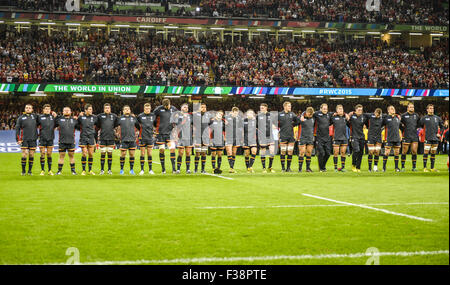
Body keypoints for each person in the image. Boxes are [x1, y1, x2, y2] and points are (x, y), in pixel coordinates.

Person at [153, 99, 178, 174]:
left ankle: (174, 169)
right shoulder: (158, 109)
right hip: (160, 134)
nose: (167, 107)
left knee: (172, 149)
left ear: (170, 104)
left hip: (170, 134)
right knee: (162, 150)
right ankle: (163, 169)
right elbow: (153, 120)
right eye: (166, 106)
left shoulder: (173, 109)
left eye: (168, 105)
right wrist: (157, 127)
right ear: (163, 105)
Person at [419, 104, 444, 172]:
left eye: (432, 108)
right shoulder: (424, 118)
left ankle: (432, 168)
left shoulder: (437, 118)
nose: (431, 109)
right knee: (426, 152)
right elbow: (420, 125)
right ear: (427, 110)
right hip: (427, 138)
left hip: (435, 138)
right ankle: (424, 168)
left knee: (433, 153)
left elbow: (442, 127)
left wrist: (440, 133)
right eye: (430, 108)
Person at [15, 104, 38, 175]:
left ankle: (30, 171)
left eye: (29, 108)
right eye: (26, 108)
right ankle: (23, 171)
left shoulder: (35, 117)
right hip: (24, 139)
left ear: (32, 109)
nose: (28, 109)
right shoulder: (21, 118)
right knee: (24, 154)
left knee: (31, 155)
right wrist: (18, 139)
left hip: (33, 139)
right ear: (25, 109)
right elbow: (17, 129)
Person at [96, 103, 118, 175]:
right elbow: (97, 125)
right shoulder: (100, 116)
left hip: (111, 137)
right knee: (102, 154)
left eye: (108, 108)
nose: (107, 109)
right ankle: (102, 170)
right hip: (102, 137)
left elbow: (115, 125)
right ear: (104, 109)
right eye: (106, 108)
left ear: (110, 109)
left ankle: (109, 170)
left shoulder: (114, 116)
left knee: (109, 154)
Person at [117, 105, 140, 175]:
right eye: (125, 109)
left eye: (128, 109)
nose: (127, 110)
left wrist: (137, 134)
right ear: (123, 111)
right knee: (123, 154)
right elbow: (114, 125)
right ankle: (121, 169)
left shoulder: (133, 118)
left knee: (132, 155)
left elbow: (138, 127)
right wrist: (117, 134)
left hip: (132, 139)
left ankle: (131, 170)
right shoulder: (120, 119)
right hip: (124, 139)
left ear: (130, 110)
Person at [55, 107, 78, 175]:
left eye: (68, 110)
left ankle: (73, 171)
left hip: (71, 141)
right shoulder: (59, 119)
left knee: (71, 156)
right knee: (61, 156)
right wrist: (55, 116)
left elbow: (80, 127)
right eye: (65, 110)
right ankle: (59, 171)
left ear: (71, 112)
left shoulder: (74, 120)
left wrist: (79, 117)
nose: (67, 111)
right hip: (62, 141)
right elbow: (53, 124)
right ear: (63, 112)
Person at [278, 101, 300, 172]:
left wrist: (293, 124)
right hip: (283, 135)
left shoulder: (292, 114)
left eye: (290, 106)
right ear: (285, 107)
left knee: (290, 152)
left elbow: (298, 121)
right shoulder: (279, 114)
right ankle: (283, 168)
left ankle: (288, 168)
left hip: (291, 136)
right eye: (289, 106)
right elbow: (274, 123)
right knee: (283, 152)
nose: (290, 107)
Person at [312, 103, 333, 172]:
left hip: (327, 137)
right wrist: (303, 115)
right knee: (321, 153)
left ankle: (323, 166)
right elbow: (307, 111)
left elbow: (338, 113)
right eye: (324, 109)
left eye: (326, 109)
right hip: (319, 137)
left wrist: (346, 114)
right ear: (320, 109)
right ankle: (321, 168)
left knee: (328, 153)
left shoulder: (329, 115)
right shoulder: (317, 114)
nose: (325, 110)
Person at [78, 104, 98, 176]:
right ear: (85, 110)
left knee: (91, 154)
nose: (91, 110)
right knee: (84, 153)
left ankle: (90, 170)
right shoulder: (81, 117)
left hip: (91, 137)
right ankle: (83, 170)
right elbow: (77, 125)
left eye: (91, 109)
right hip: (83, 137)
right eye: (89, 109)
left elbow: (98, 124)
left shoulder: (94, 117)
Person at [137, 103, 156, 175]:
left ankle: (150, 170)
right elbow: (136, 124)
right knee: (142, 153)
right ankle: (142, 170)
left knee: (149, 153)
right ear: (144, 109)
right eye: (146, 108)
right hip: (142, 137)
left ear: (150, 109)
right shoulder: (140, 116)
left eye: (149, 108)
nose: (147, 110)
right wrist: (141, 130)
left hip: (150, 137)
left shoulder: (153, 116)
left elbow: (155, 124)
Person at [37, 104, 56, 176]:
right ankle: (42, 170)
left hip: (50, 138)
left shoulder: (53, 117)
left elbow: (57, 124)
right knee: (42, 154)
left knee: (49, 154)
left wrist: (56, 116)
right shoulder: (40, 117)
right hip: (42, 138)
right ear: (43, 110)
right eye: (46, 109)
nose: (47, 110)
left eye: (49, 109)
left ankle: (50, 170)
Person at [400, 103, 420, 171]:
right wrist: (403, 130)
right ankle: (403, 167)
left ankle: (414, 167)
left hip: (414, 136)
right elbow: (400, 124)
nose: (412, 108)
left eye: (413, 107)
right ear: (407, 108)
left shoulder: (416, 115)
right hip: (406, 135)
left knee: (414, 151)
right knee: (404, 151)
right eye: (410, 107)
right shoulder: (403, 116)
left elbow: (418, 124)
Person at [257, 103, 276, 173]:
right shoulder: (258, 116)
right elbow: (256, 126)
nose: (261, 109)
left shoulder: (271, 115)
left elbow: (274, 123)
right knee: (263, 152)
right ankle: (264, 168)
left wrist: (273, 125)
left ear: (266, 108)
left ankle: (270, 167)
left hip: (270, 136)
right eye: (260, 108)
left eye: (262, 108)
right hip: (262, 136)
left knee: (272, 151)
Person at [175, 103, 193, 174]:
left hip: (189, 136)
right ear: (181, 108)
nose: (186, 108)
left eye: (187, 107)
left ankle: (188, 169)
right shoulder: (178, 115)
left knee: (188, 153)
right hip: (181, 136)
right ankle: (178, 169)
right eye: (184, 107)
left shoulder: (190, 116)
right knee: (181, 153)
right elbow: (178, 125)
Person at [192, 103, 211, 174]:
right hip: (198, 136)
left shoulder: (208, 115)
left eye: (205, 107)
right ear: (199, 108)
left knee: (204, 153)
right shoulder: (195, 115)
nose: (203, 108)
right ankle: (195, 169)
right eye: (202, 107)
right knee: (197, 153)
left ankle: (203, 169)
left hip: (205, 137)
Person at [382, 106, 402, 172]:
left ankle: (396, 168)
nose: (393, 109)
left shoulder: (397, 118)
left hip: (397, 138)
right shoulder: (386, 118)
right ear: (388, 111)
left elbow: (400, 127)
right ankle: (384, 168)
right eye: (391, 109)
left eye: (393, 108)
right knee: (387, 153)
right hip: (389, 138)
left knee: (396, 153)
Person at [331, 105, 350, 172]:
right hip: (336, 137)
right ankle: (335, 168)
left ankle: (342, 167)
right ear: (336, 110)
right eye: (339, 109)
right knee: (335, 152)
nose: (341, 110)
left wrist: (346, 115)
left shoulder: (346, 117)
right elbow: (328, 116)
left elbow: (350, 124)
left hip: (344, 137)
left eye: (342, 109)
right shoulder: (333, 117)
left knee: (343, 152)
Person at [225, 107, 244, 173]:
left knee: (234, 153)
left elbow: (241, 127)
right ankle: (231, 168)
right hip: (228, 137)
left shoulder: (239, 118)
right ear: (232, 112)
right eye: (235, 113)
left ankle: (231, 167)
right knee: (229, 152)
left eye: (237, 113)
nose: (236, 114)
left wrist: (241, 136)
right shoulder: (226, 117)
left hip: (236, 137)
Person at [348, 104, 366, 173]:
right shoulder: (352, 117)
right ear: (355, 110)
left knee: (361, 153)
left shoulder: (363, 117)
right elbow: (347, 123)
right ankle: (353, 165)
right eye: (358, 110)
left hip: (362, 136)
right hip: (354, 136)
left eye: (361, 110)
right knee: (356, 150)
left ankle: (358, 167)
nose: (360, 111)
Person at [298, 107, 315, 172]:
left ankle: (308, 168)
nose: (310, 115)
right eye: (309, 114)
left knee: (309, 152)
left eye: (311, 114)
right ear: (306, 112)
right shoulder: (302, 118)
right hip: (303, 137)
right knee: (302, 152)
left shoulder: (313, 118)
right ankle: (300, 169)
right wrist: (302, 115)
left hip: (310, 137)